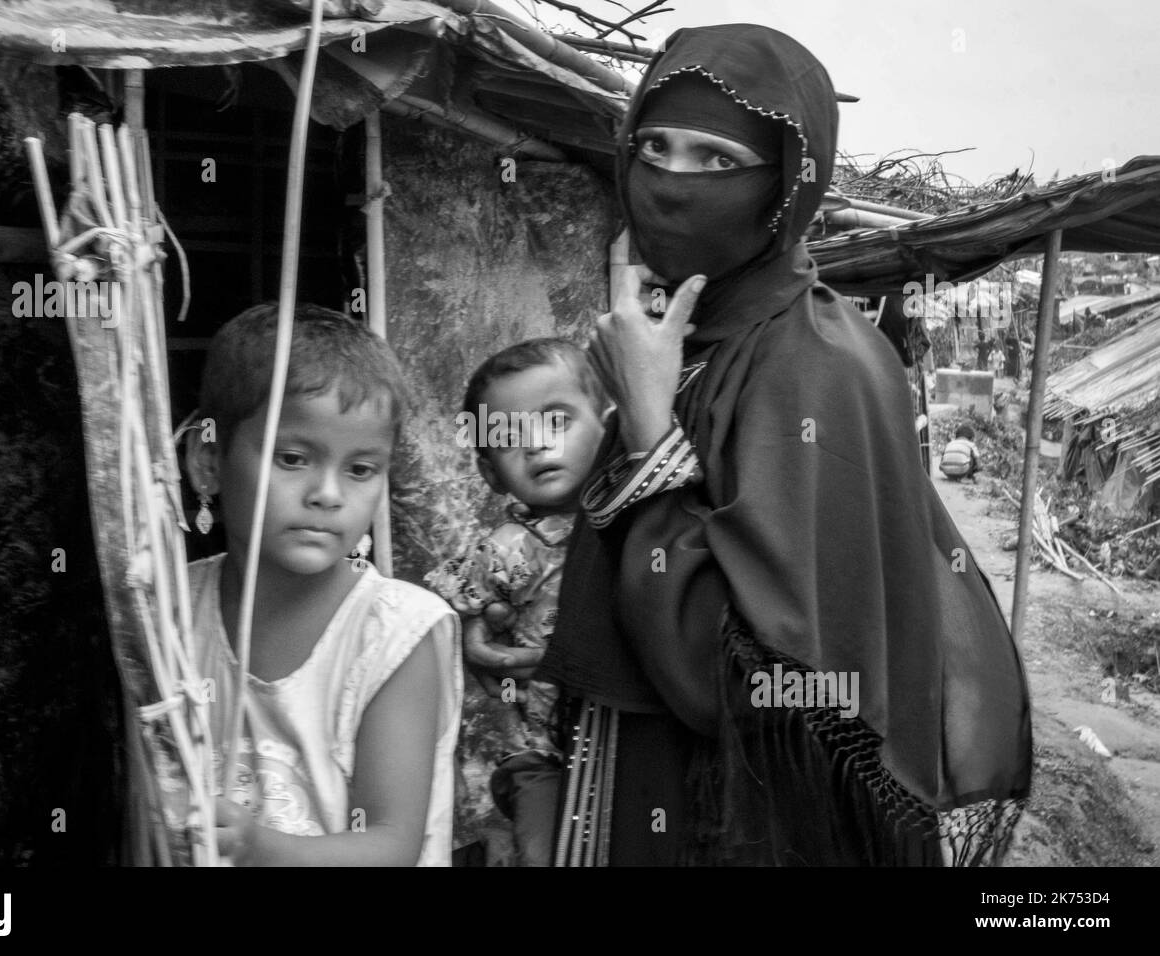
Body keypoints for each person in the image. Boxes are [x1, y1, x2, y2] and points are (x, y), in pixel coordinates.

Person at [467, 23, 1031, 866]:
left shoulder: (820, 366)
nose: (670, 183)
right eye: (653, 147)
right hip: (640, 786)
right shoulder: (690, 338)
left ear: (787, 189)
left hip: (741, 827)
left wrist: (651, 426)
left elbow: (751, 685)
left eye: (716, 160)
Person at [183, 303, 463, 866]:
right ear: (208, 460)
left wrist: (256, 847)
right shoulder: (172, 611)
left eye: (360, 469)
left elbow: (390, 845)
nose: (328, 494)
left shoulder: (395, 634)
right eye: (293, 458)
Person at [427, 338, 608, 866]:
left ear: (609, 424)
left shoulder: (638, 525)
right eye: (509, 438)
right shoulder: (506, 550)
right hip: (541, 755)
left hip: (626, 740)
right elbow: (438, 616)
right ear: (489, 473)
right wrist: (468, 636)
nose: (535, 445)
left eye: (556, 422)